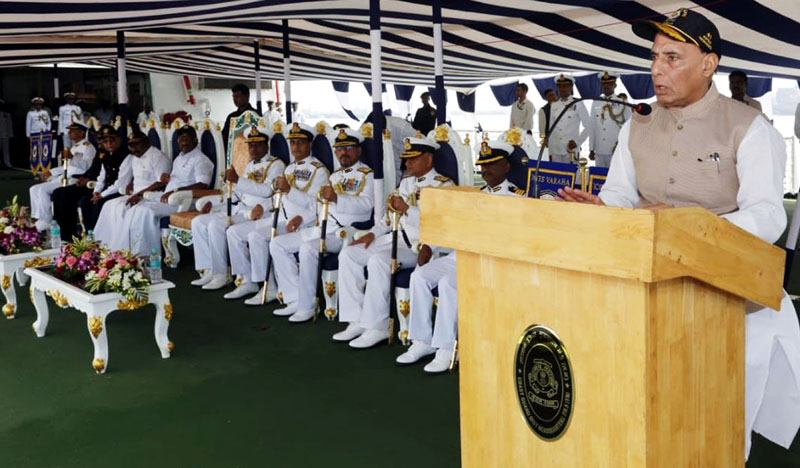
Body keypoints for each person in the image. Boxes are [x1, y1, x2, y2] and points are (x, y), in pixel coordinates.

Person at [556, 8, 800, 458]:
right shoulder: (637, 124)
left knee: (716, 424)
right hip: (650, 291)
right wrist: (601, 209)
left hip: (729, 298)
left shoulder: (749, 128)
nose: (656, 70)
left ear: (709, 64)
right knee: (646, 412)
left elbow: (768, 216)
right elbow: (621, 196)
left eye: (672, 58)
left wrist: (690, 229)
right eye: (653, 57)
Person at [397, 140, 524, 373]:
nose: (486, 170)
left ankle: (446, 349)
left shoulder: (518, 198)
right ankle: (422, 341)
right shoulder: (471, 196)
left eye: (493, 165)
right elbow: (451, 227)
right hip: (460, 255)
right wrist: (430, 245)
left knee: (448, 284)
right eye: (483, 166)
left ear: (506, 166)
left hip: (490, 260)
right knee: (420, 277)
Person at [334, 137, 454, 348]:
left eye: (412, 159)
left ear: (428, 159)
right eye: (406, 160)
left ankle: (377, 327)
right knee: (349, 254)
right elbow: (389, 217)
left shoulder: (444, 185)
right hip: (397, 238)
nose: (407, 164)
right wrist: (372, 233)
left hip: (421, 246)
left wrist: (408, 209)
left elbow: (442, 223)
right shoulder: (406, 183)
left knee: (379, 261)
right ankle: (356, 319)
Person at [269, 128, 372, 322]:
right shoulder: (334, 176)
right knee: (277, 244)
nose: (344, 153)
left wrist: (337, 198)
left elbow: (367, 206)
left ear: (358, 150)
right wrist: (301, 218)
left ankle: (307, 307)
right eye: (340, 149)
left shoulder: (367, 175)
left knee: (308, 249)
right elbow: (317, 206)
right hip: (321, 228)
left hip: (344, 233)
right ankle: (294, 299)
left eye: (349, 148)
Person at [192, 125, 284, 292]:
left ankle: (235, 277)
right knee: (198, 221)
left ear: (266, 146)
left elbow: (267, 191)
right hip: (240, 208)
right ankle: (210, 269)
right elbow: (236, 193)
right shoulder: (250, 165)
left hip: (259, 213)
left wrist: (237, 180)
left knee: (217, 226)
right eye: (250, 145)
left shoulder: (276, 165)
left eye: (257, 145)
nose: (253, 149)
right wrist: (213, 204)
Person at [122, 125, 213, 256]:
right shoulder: (179, 158)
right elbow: (173, 180)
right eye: (181, 139)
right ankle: (132, 251)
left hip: (184, 202)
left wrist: (176, 190)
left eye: (187, 138)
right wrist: (166, 181)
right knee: (136, 208)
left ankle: (148, 254)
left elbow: (203, 185)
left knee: (145, 211)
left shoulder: (201, 160)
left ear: (195, 140)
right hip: (167, 198)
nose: (184, 142)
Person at [93, 127, 171, 248]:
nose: (133, 148)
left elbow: (162, 182)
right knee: (109, 205)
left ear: (146, 142)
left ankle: (129, 249)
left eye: (136, 144)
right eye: (130, 145)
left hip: (151, 196)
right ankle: (106, 246)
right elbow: (136, 177)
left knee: (126, 209)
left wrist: (140, 194)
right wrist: (131, 186)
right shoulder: (135, 157)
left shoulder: (158, 157)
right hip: (136, 194)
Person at [51, 125, 127, 240]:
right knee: (59, 193)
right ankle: (65, 233)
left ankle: (91, 235)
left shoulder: (123, 155)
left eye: (110, 140)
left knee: (82, 200)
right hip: (94, 184)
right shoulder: (102, 152)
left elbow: (112, 179)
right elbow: (94, 169)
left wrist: (93, 186)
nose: (107, 143)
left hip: (100, 186)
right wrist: (85, 176)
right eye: (103, 140)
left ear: (118, 140)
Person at [30, 118, 96, 230]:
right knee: (33, 189)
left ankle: (47, 220)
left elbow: (86, 166)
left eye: (73, 130)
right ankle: (39, 218)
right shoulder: (74, 147)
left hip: (75, 179)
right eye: (69, 130)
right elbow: (66, 165)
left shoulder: (88, 147)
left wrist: (72, 157)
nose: (69, 132)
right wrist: (51, 171)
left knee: (42, 190)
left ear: (82, 132)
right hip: (64, 177)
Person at [588, 72, 631, 168]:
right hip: (599, 148)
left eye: (610, 84)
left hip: (615, 147)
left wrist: (623, 146)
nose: (606, 86)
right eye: (604, 84)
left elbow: (628, 126)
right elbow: (592, 126)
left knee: (615, 177)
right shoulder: (596, 102)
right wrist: (591, 148)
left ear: (615, 85)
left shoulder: (622, 102)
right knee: (598, 178)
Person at [548, 74, 590, 163]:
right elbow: (551, 129)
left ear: (571, 87)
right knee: (557, 175)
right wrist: (550, 152)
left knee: (573, 175)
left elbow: (589, 126)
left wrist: (577, 142)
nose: (562, 89)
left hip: (570, 149)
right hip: (556, 149)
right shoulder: (554, 105)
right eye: (560, 86)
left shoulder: (578, 103)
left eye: (565, 86)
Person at [221, 84, 258, 148]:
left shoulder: (256, 115)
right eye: (233, 97)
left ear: (246, 96)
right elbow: (224, 136)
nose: (234, 100)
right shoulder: (231, 117)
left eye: (237, 96)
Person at [0, 99, 13, 168]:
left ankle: (7, 163)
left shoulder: (7, 114)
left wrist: (10, 134)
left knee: (6, 150)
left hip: (5, 134)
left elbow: (9, 125)